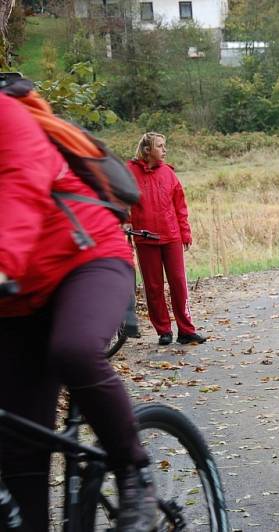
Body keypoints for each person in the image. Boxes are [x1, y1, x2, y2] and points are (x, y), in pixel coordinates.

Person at [0, 86, 155, 531]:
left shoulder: (8, 119)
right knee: (19, 449)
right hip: (15, 299)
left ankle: (133, 471)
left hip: (85, 259)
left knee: (73, 350)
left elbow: (19, 195)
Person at [127, 132, 206, 346]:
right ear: (147, 150)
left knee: (179, 283)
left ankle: (186, 330)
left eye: (164, 145)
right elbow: (120, 201)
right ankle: (163, 331)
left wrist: (185, 232)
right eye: (160, 146)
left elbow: (180, 206)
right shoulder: (130, 172)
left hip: (171, 237)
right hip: (146, 239)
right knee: (153, 287)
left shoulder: (169, 174)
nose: (164, 150)